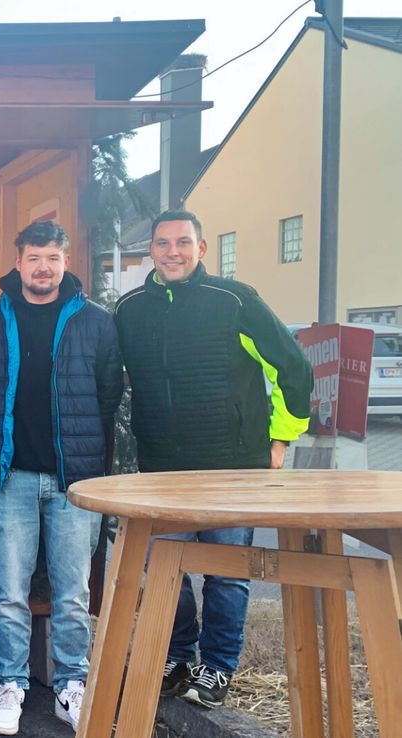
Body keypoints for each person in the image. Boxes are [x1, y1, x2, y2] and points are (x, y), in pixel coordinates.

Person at [115, 210, 311, 708]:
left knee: (226, 572)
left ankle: (218, 667)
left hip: (232, 466)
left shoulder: (235, 300)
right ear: (151, 252)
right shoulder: (130, 309)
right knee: (165, 568)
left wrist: (281, 440)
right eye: (162, 243)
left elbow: (293, 368)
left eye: (182, 242)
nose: (172, 252)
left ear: (201, 249)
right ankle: (178, 656)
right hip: (162, 467)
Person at [0, 220, 123, 734]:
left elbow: (108, 394)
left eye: (52, 257)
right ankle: (10, 683)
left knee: (72, 590)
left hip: (74, 480)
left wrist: (88, 461)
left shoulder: (94, 322)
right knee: (8, 588)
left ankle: (72, 683)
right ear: (18, 262)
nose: (43, 267)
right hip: (10, 478)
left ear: (65, 261)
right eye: (34, 257)